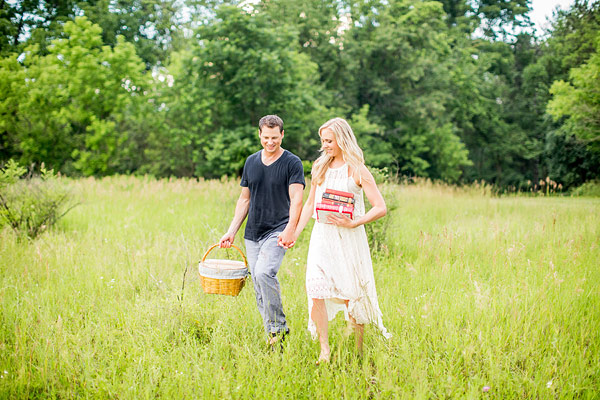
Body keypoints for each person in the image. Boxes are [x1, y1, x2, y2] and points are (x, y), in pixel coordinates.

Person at [290, 117, 391, 364]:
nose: (324, 145)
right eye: (322, 140)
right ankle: (324, 350)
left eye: (329, 141)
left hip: (348, 238)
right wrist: (294, 232)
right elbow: (310, 204)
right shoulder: (319, 167)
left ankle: (357, 351)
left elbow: (380, 207)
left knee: (350, 293)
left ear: (342, 140)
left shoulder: (357, 169)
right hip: (322, 238)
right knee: (315, 290)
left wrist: (354, 222)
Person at [219, 115, 305, 348]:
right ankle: (273, 336)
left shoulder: (292, 162)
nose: (270, 142)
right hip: (253, 231)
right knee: (257, 281)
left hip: (278, 229)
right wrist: (231, 231)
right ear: (259, 135)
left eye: (274, 138)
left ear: (282, 135)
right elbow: (244, 199)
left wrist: (290, 230)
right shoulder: (251, 162)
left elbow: (297, 199)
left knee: (265, 272)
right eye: (266, 138)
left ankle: (279, 328)